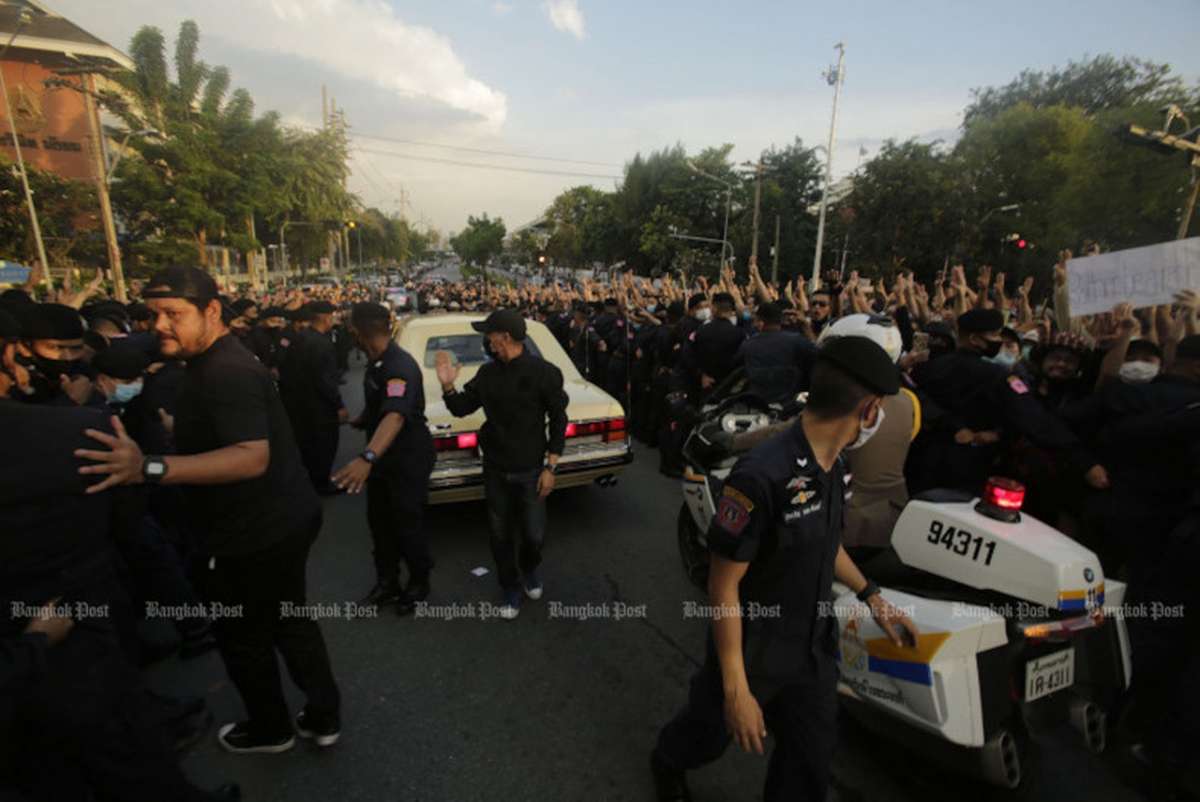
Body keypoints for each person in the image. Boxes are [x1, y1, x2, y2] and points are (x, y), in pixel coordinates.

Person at [75, 266, 341, 755]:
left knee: (242, 633)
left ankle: (271, 728)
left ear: (212, 311)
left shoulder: (226, 371)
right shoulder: (207, 359)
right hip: (279, 519)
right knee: (289, 618)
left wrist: (148, 467)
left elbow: (250, 456)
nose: (159, 325)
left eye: (173, 314)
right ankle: (324, 714)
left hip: (251, 533)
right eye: (153, 314)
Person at [651, 335, 918, 802]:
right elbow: (723, 587)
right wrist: (736, 688)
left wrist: (872, 595)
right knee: (707, 733)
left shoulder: (833, 464)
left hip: (812, 647)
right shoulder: (759, 476)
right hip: (753, 646)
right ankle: (668, 759)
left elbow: (825, 544)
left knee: (810, 759)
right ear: (870, 410)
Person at [0, 308, 238, 802]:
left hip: (63, 634)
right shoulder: (78, 428)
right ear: (13, 353)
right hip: (73, 625)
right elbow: (125, 516)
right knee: (124, 756)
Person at [435, 308, 569, 620]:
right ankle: (510, 585)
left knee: (534, 535)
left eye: (489, 334)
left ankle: (529, 569)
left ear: (504, 337)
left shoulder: (544, 373)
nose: (486, 340)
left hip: (532, 470)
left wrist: (551, 466)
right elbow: (461, 408)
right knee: (499, 534)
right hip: (495, 468)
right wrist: (448, 386)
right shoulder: (487, 374)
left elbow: (559, 419)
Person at [908, 307, 1107, 495]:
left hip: (918, 462)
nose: (999, 341)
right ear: (975, 339)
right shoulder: (997, 377)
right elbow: (1033, 417)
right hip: (964, 467)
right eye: (995, 335)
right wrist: (1084, 461)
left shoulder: (927, 368)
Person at [333, 302, 435, 617]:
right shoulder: (377, 362)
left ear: (356, 331)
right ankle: (387, 583)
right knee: (380, 524)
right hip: (383, 460)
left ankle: (418, 583)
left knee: (407, 523)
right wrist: (363, 419)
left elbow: (395, 416)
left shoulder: (398, 365)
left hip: (406, 458)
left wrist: (367, 457)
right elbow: (380, 404)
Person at [279, 301, 347, 493]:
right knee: (324, 445)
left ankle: (309, 481)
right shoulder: (321, 343)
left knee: (307, 444)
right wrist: (339, 405)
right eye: (332, 316)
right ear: (326, 318)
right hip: (319, 406)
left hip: (298, 403)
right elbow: (325, 380)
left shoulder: (299, 338)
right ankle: (321, 483)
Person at [735, 301, 817, 404]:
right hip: (789, 403)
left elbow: (736, 365)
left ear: (758, 320)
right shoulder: (796, 340)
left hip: (757, 403)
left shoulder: (748, 344)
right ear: (781, 320)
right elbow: (819, 356)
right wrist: (806, 326)